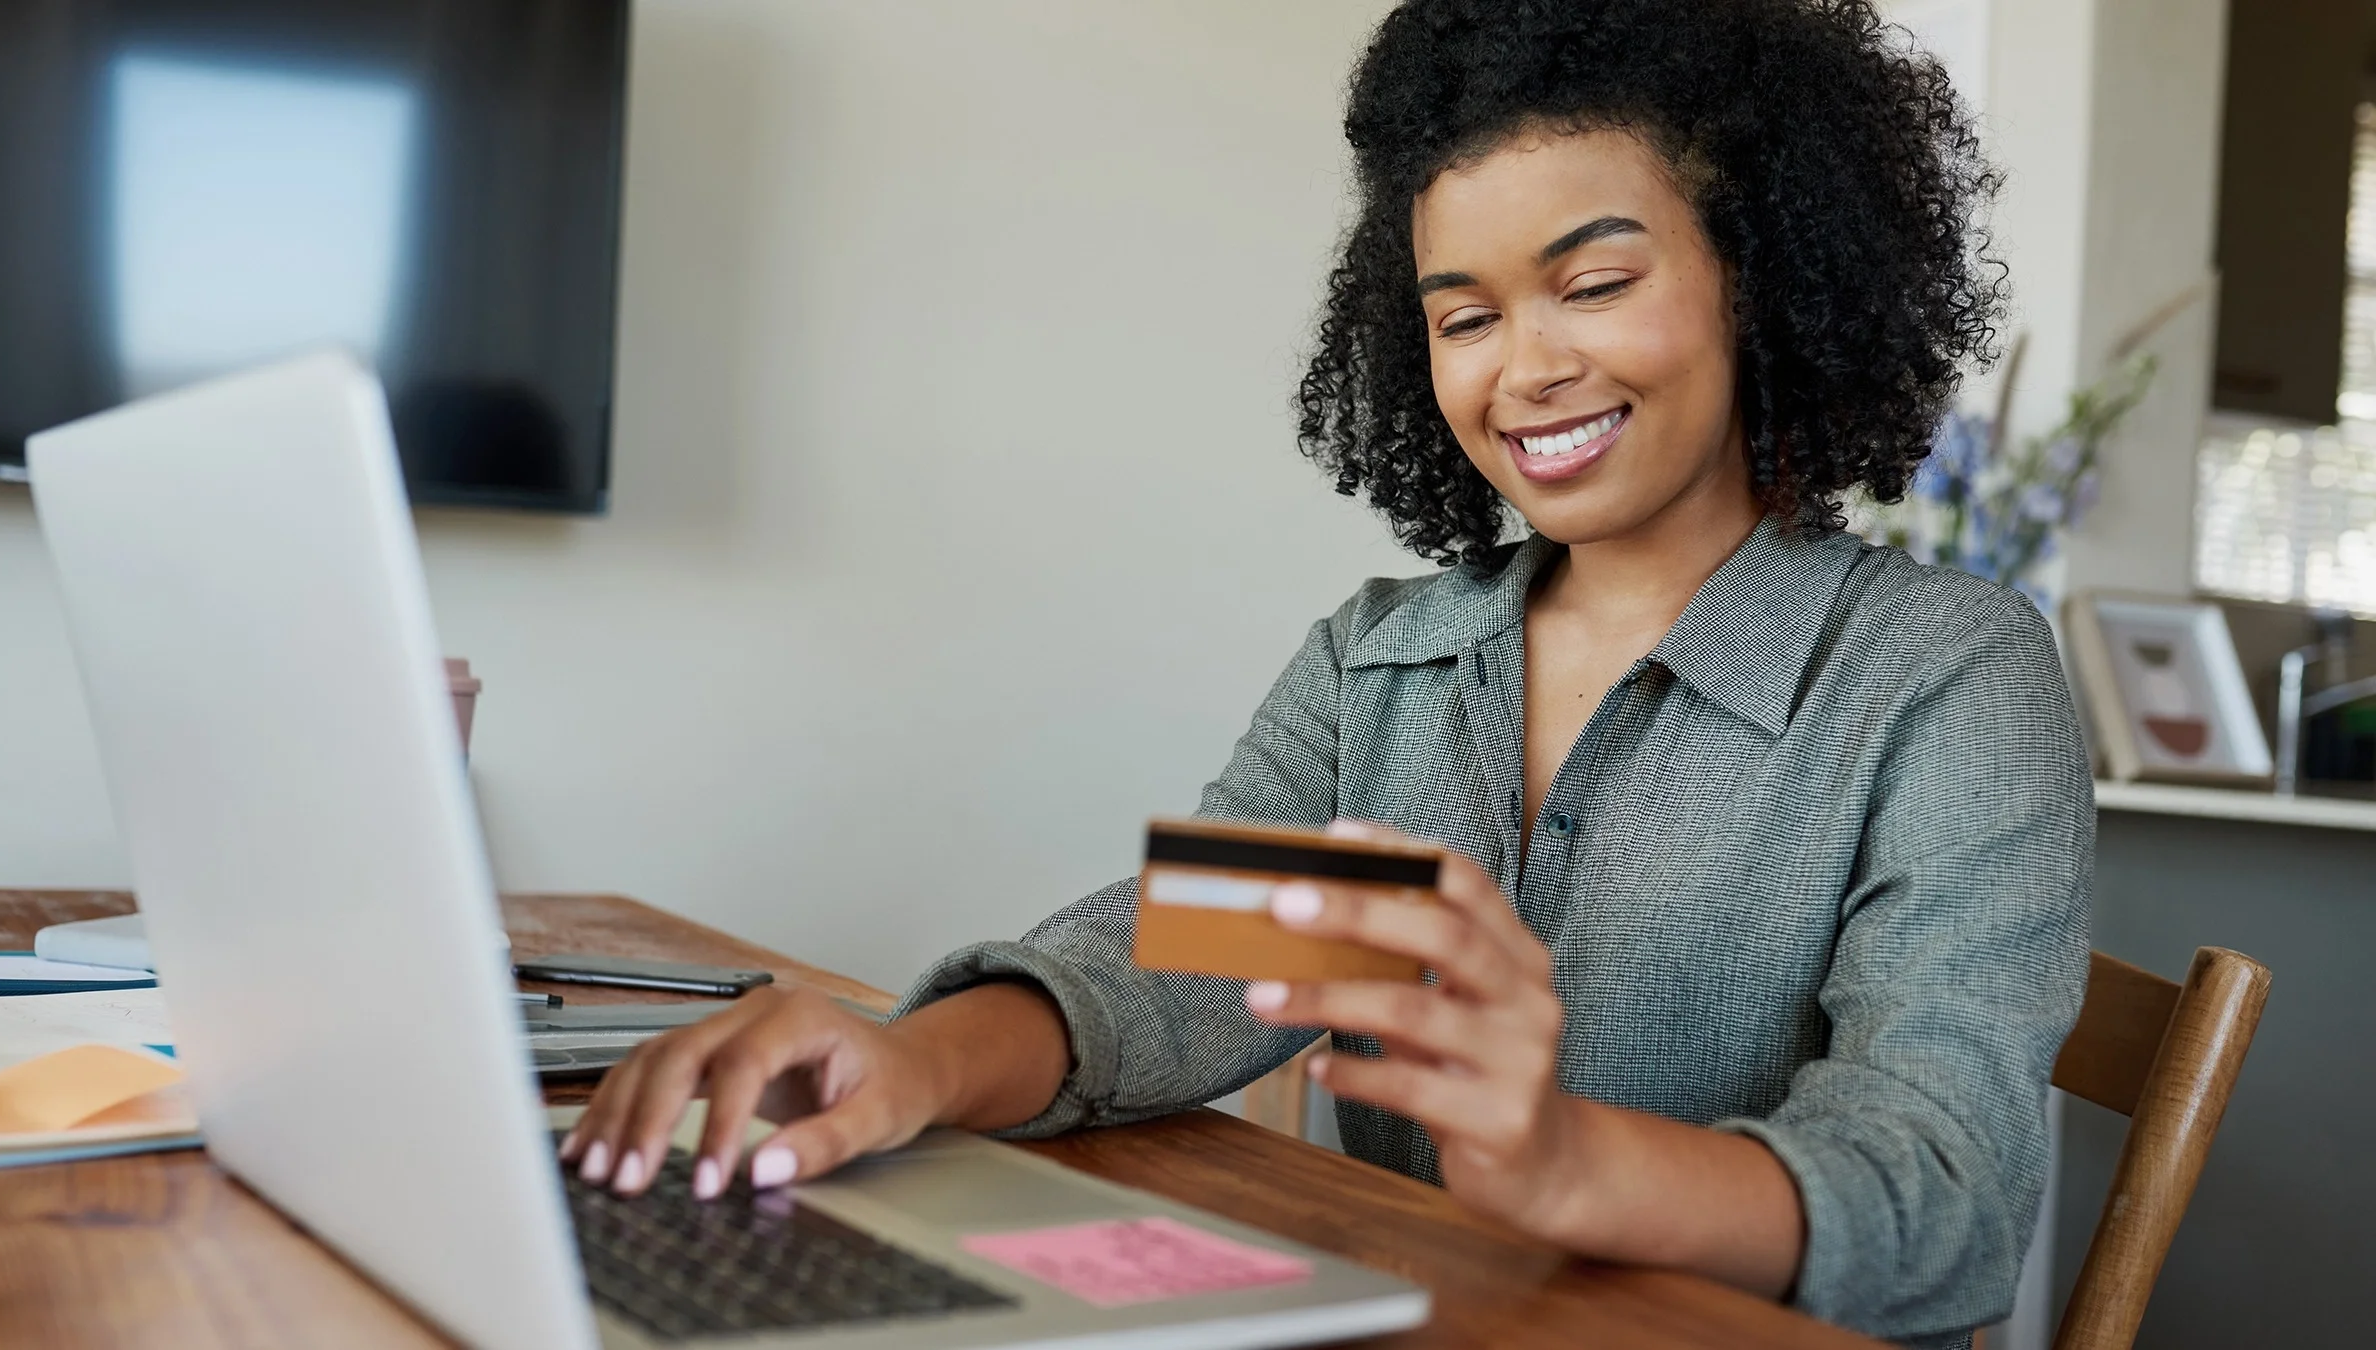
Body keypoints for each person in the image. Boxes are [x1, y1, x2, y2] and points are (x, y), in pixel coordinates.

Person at [560, 1, 2091, 1344]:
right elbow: (1177, 962)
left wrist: (1563, 1160)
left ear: (1758, 272)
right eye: (1466, 316)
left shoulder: (1944, 680)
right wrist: (905, 1063)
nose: (1526, 366)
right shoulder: (1386, 661)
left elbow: (1944, 1192)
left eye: (1597, 282)